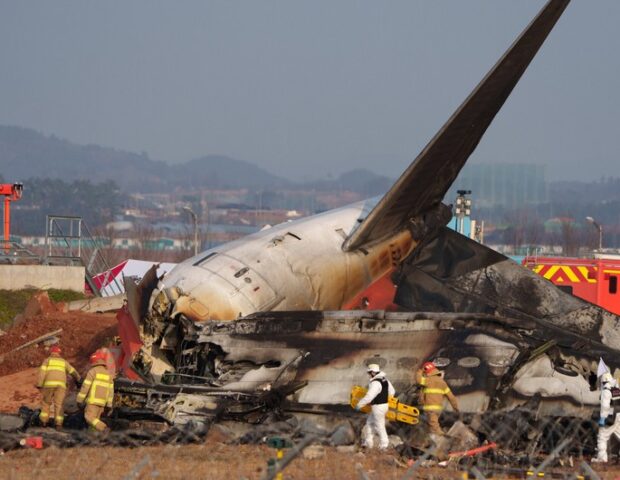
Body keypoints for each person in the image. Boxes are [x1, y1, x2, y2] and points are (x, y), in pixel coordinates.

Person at [36, 344, 81, 429]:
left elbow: (42, 373)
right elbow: (72, 371)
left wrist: (39, 384)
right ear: (59, 353)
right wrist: (79, 379)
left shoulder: (47, 361)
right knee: (59, 405)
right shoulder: (63, 362)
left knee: (46, 403)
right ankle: (58, 424)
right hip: (61, 386)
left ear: (51, 353)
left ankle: (43, 422)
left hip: (48, 385)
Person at [355, 364, 395, 450]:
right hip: (383, 405)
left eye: (369, 373)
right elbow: (392, 392)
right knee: (369, 423)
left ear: (373, 372)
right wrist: (383, 398)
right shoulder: (385, 380)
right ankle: (368, 442)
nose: (369, 375)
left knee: (379, 425)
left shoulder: (375, 383)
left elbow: (369, 396)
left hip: (378, 407)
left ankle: (384, 445)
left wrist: (359, 404)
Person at [415, 361, 459, 435]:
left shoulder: (428, 380)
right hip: (438, 409)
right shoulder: (442, 382)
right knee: (431, 425)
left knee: (434, 427)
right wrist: (455, 408)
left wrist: (420, 370)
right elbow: (451, 397)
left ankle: (442, 437)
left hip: (430, 408)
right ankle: (432, 438)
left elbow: (418, 379)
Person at [77, 349, 114, 432]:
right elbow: (111, 391)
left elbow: (85, 387)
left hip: (92, 401)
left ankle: (104, 428)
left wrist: (79, 400)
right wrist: (109, 404)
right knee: (95, 421)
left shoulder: (93, 371)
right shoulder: (108, 374)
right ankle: (93, 439)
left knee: (89, 417)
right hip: (102, 403)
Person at [593, 372, 620, 463]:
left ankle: (601, 458)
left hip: (611, 416)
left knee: (602, 436)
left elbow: (605, 406)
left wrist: (602, 419)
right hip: (619, 415)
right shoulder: (616, 389)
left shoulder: (606, 390)